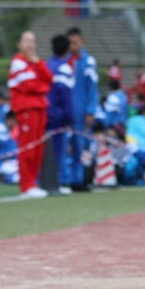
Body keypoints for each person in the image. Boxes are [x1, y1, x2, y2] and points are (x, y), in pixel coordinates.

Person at [8, 30, 54, 198]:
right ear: (19, 44)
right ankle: (26, 185)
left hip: (39, 109)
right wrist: (44, 87)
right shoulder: (18, 63)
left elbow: (48, 79)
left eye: (32, 41)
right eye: (26, 41)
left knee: (37, 149)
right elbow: (31, 86)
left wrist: (39, 63)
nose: (30, 45)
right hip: (27, 110)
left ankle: (32, 183)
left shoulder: (34, 63)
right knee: (27, 148)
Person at [66, 27, 98, 190]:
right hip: (66, 112)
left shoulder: (88, 62)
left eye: (75, 42)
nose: (73, 46)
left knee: (80, 146)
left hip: (81, 112)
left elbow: (92, 88)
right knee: (66, 146)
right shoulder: (65, 61)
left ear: (81, 42)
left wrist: (90, 110)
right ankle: (65, 178)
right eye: (70, 43)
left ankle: (79, 179)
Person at [45, 33, 76, 196]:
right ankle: (58, 182)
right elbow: (66, 96)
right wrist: (69, 117)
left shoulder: (45, 65)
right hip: (58, 116)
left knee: (43, 150)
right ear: (67, 49)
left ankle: (42, 181)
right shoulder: (64, 68)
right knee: (58, 151)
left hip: (44, 113)